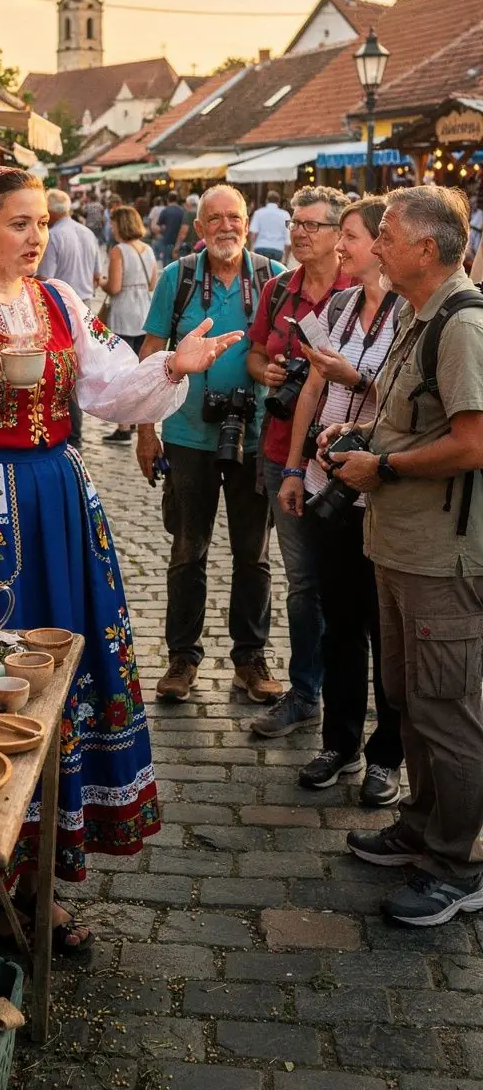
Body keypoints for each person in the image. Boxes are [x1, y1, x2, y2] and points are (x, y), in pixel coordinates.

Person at [0, 167, 243, 949]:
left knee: (59, 676)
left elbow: (110, 389)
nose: (36, 237)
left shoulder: (63, 303)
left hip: (58, 504)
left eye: (41, 223)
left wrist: (173, 366)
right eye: (18, 223)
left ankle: (36, 884)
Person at [318, 186, 483, 926]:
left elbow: (474, 444)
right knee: (409, 700)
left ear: (425, 247)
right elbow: (412, 420)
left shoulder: (463, 324)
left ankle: (458, 866)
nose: (373, 245)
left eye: (385, 234)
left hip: (442, 557)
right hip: (398, 544)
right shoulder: (419, 315)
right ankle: (420, 828)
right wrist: (358, 443)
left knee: (448, 712)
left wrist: (382, 467)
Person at [137, 185, 285, 703]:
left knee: (254, 554)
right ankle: (182, 659)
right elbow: (151, 354)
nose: (226, 226)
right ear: (199, 228)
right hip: (185, 436)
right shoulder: (176, 279)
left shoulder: (272, 278)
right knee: (187, 551)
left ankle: (250, 658)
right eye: (215, 219)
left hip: (255, 436)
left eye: (234, 217)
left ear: (248, 223)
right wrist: (146, 431)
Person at [279, 196, 403, 806]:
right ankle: (340, 742)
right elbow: (311, 390)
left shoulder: (412, 314)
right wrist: (293, 467)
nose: (343, 247)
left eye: (350, 237)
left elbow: (408, 406)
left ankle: (387, 756)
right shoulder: (340, 305)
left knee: (387, 633)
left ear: (379, 244)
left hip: (381, 493)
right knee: (340, 624)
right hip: (327, 484)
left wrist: (356, 380)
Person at [246, 185, 351, 736]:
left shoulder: (359, 292)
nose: (300, 233)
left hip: (339, 456)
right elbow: (255, 350)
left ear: (338, 234)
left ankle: (349, 693)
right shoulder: (278, 289)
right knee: (302, 581)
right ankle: (306, 691)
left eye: (313, 224)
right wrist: (263, 369)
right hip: (281, 449)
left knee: (346, 579)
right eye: (295, 223)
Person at [37, 187, 102, 450]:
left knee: (63, 372)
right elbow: (97, 276)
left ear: (50, 212)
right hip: (84, 304)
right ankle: (75, 434)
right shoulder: (87, 233)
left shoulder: (54, 236)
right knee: (77, 369)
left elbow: (44, 279)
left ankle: (69, 433)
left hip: (59, 307)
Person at [102, 204, 158, 445]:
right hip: (143, 313)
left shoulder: (119, 250)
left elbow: (114, 287)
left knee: (122, 372)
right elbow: (152, 283)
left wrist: (101, 282)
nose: (111, 228)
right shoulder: (148, 249)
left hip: (124, 314)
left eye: (113, 224)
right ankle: (135, 418)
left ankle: (124, 426)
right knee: (139, 371)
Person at [249, 191, 291, 262]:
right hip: (277, 249)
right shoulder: (286, 215)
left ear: (266, 201)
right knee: (275, 269)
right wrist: (286, 259)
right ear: (278, 202)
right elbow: (288, 236)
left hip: (260, 248)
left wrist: (252, 249)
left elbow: (253, 233)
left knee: (260, 269)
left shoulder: (258, 213)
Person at [156, 191, 185, 264]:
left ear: (167, 199)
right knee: (178, 266)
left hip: (167, 241)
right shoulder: (182, 211)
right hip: (179, 243)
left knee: (167, 265)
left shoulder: (165, 211)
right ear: (177, 199)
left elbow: (159, 226)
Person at [172, 192, 200, 259]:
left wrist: (176, 248)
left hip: (189, 247)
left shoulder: (189, 213)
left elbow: (183, 232)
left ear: (189, 204)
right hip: (200, 246)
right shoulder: (201, 213)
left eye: (186, 203)